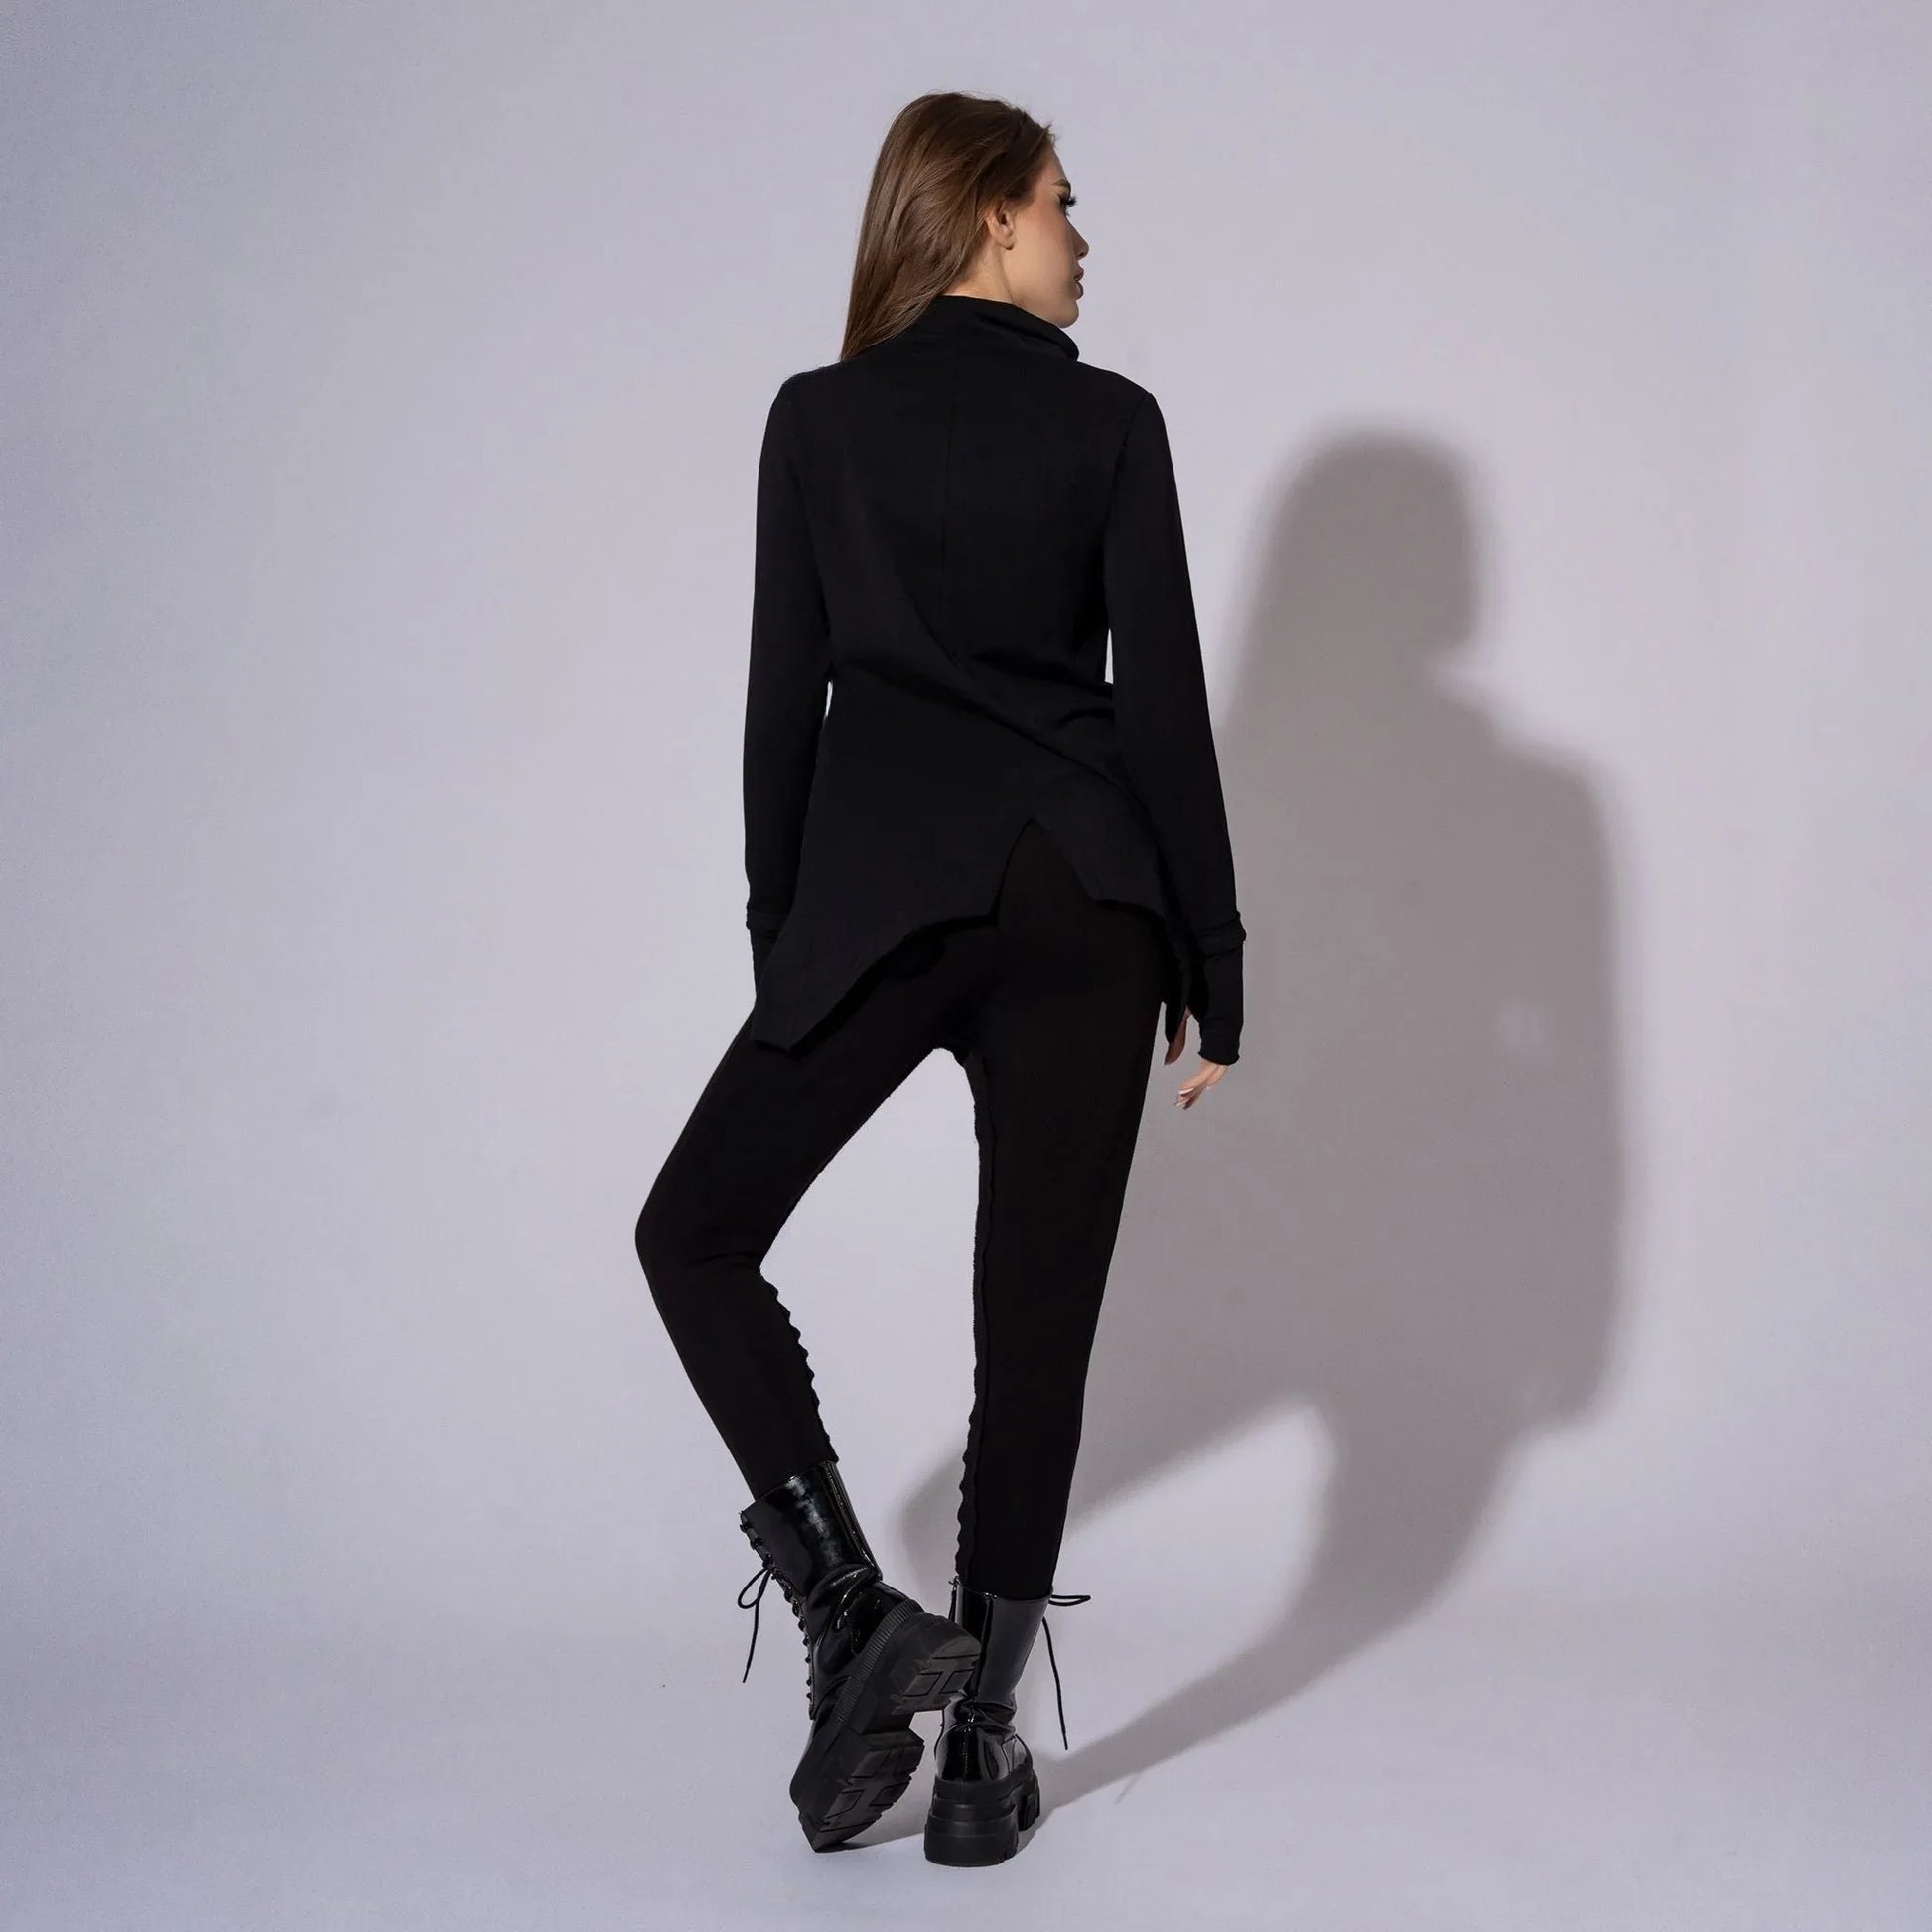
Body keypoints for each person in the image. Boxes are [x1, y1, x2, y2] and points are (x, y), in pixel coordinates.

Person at [633, 90, 1247, 1864]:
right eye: (1060, 204)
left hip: (879, 904)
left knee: (693, 1231)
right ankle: (977, 1754)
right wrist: (1212, 959)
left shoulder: (817, 421)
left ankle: (847, 1608)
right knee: (1032, 1326)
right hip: (1087, 901)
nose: (1078, 239)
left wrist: (785, 945)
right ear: (986, 214)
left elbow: (782, 707)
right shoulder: (1112, 422)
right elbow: (1162, 710)